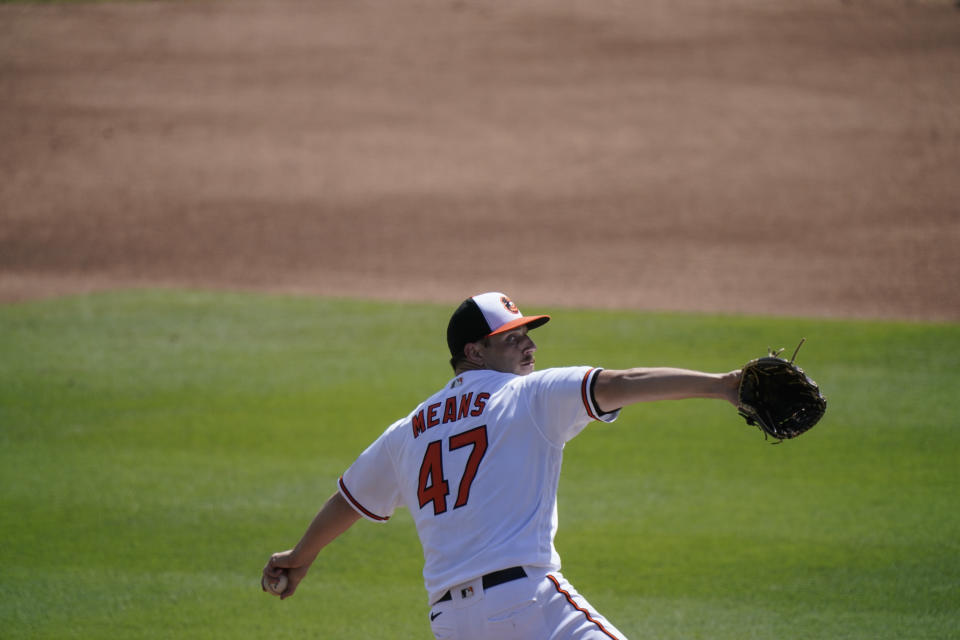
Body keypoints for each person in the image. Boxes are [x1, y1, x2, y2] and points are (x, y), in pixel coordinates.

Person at [263, 291, 742, 639]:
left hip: (451, 624)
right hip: (528, 605)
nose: (529, 346)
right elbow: (622, 381)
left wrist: (300, 557)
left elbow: (349, 501)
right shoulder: (527, 394)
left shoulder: (409, 428)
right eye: (511, 339)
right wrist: (722, 385)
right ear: (474, 352)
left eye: (527, 334)